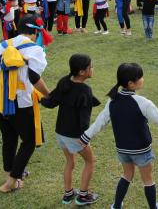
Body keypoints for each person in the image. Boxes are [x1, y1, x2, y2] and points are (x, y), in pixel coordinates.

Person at [80, 63, 158, 209]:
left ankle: (117, 206)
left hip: (123, 149)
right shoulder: (143, 103)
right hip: (141, 150)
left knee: (127, 175)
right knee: (148, 180)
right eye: (140, 77)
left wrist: (85, 136)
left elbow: (100, 121)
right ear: (131, 83)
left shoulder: (112, 100)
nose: (143, 79)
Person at [0, 14, 51, 193]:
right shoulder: (35, 49)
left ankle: (9, 174)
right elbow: (34, 77)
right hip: (20, 101)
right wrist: (48, 94)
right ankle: (12, 180)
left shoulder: (3, 45)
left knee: (9, 138)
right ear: (35, 31)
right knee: (29, 140)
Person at [41, 54, 100, 205]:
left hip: (60, 133)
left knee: (70, 162)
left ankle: (68, 194)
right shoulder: (85, 90)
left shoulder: (64, 81)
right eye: (90, 67)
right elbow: (84, 121)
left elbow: (51, 102)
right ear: (82, 72)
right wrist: (85, 137)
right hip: (75, 136)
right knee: (90, 161)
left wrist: (38, 98)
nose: (93, 69)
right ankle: (83, 196)